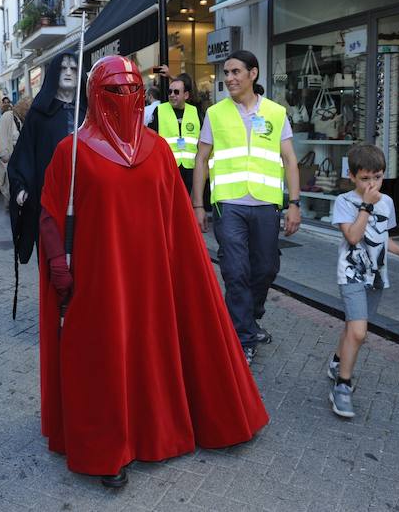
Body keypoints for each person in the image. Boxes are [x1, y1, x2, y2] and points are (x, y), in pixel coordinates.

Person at [38, 55, 268, 488]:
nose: (124, 98)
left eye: (131, 89)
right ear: (95, 96)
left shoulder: (157, 149)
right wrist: (56, 261)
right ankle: (106, 448)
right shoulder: (72, 151)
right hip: (99, 279)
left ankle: (160, 428)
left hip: (153, 277)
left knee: (150, 348)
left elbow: (176, 218)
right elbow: (52, 213)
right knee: (103, 356)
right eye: (114, 91)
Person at [191, 50, 302, 364]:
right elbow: (201, 159)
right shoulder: (215, 113)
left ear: (253, 73)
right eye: (226, 73)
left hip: (267, 204)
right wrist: (198, 204)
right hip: (229, 204)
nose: (229, 78)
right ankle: (242, 338)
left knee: (266, 268)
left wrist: (294, 203)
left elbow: (290, 159)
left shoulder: (276, 113)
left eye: (236, 72)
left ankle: (248, 320)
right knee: (235, 270)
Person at [327, 144, 399, 418]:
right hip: (352, 275)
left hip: (376, 277)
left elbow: (382, 237)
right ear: (353, 177)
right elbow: (353, 237)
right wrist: (366, 205)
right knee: (359, 332)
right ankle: (342, 386)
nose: (372, 183)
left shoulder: (387, 203)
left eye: (377, 177)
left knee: (353, 327)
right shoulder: (344, 202)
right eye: (365, 178)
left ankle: (336, 362)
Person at [9, 51, 87, 264]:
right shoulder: (39, 114)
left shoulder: (88, 112)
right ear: (54, 73)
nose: (69, 72)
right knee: (54, 260)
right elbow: (25, 153)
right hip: (50, 197)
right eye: (63, 68)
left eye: (73, 68)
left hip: (86, 197)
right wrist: (21, 186)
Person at [148, 74, 203, 194]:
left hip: (190, 169)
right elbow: (151, 138)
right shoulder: (160, 110)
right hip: (167, 168)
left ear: (186, 95)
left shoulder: (195, 111)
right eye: (170, 92)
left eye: (177, 92)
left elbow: (202, 140)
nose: (172, 95)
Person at [0, 97, 28, 209]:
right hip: (9, 159)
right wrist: (6, 156)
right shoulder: (7, 117)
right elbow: (1, 138)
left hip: (18, 159)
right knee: (9, 187)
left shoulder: (20, 120)